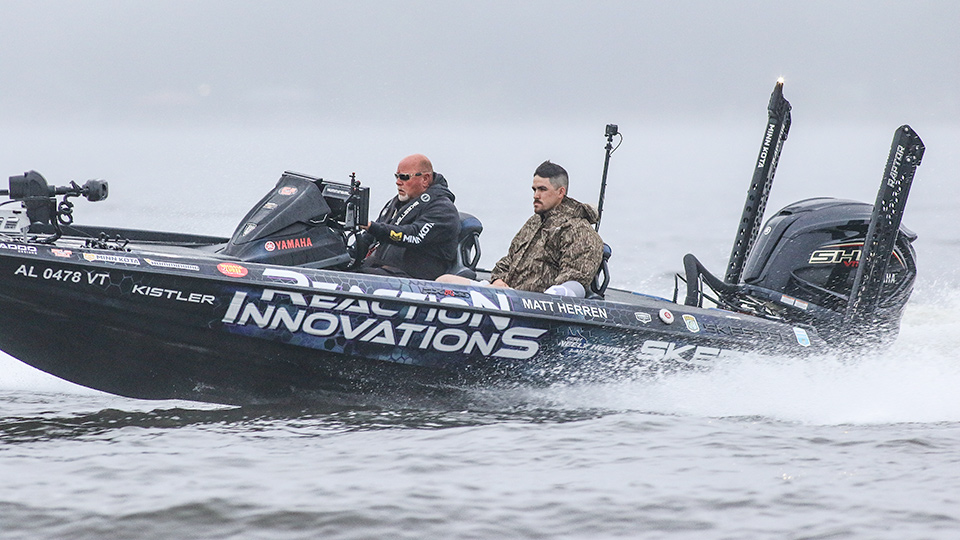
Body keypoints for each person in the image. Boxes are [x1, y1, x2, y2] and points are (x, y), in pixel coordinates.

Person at [438, 160, 604, 297]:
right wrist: (498, 280)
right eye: (534, 189)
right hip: (506, 293)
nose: (536, 195)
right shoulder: (534, 223)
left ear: (561, 192)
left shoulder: (579, 231)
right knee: (445, 281)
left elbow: (575, 280)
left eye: (542, 189)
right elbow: (507, 261)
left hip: (534, 303)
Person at [353, 154, 460, 280]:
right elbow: (369, 238)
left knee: (359, 277)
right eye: (397, 176)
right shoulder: (397, 203)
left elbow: (413, 235)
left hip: (414, 279)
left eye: (404, 177)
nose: (398, 182)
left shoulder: (443, 210)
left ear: (425, 179)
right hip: (383, 270)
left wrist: (372, 227)